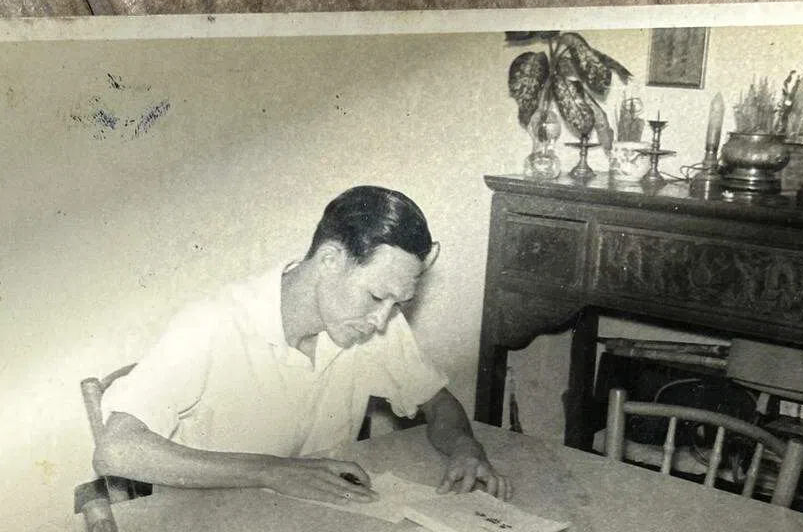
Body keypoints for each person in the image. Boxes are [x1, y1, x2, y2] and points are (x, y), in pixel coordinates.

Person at [93, 185, 511, 506]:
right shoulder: (215, 322)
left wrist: (466, 448)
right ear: (330, 260)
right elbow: (117, 450)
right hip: (206, 529)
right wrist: (272, 472)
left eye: (397, 304)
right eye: (375, 296)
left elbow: (437, 402)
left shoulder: (371, 322)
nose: (383, 320)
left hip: (309, 524)